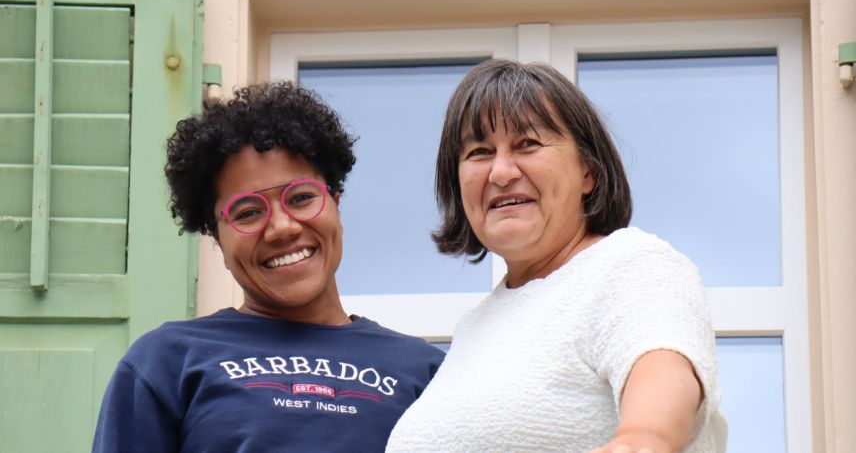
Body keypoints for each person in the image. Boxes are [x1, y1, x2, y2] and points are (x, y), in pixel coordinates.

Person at [386, 59, 726, 453]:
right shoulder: (475, 326)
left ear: (589, 172)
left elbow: (658, 396)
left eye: (527, 144)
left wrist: (643, 439)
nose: (500, 172)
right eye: (479, 152)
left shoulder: (631, 265)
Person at [92, 82, 445, 453]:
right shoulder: (166, 363)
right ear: (215, 236)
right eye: (248, 213)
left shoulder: (426, 373)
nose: (282, 227)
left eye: (302, 198)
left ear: (336, 202)